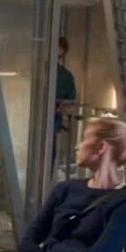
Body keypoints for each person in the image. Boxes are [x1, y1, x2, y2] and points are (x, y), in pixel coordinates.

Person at [17, 117, 126, 252]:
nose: (77, 146)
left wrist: (48, 245)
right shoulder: (65, 189)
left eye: (84, 139)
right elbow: (26, 246)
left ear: (101, 147)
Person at [53, 37, 78, 171]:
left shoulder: (65, 77)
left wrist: (59, 108)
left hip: (50, 128)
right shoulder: (30, 70)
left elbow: (69, 105)